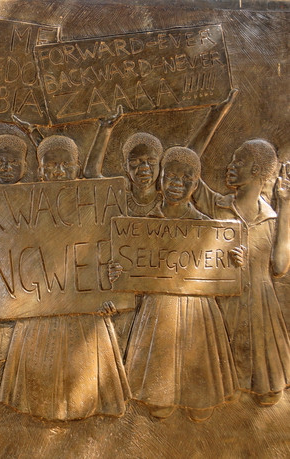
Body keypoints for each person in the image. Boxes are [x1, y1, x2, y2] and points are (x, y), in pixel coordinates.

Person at [0, 115, 131, 421]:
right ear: (39, 169)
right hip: (40, 307)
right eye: (49, 164)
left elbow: (115, 252)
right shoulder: (24, 204)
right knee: (37, 393)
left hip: (87, 308)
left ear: (76, 167)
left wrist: (114, 281)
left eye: (65, 165)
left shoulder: (96, 203)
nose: (57, 171)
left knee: (86, 382)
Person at [111, 147, 240, 422]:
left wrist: (235, 260)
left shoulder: (208, 226)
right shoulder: (144, 225)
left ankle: (200, 394)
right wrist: (119, 269)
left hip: (198, 304)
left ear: (195, 184)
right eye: (171, 178)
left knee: (199, 347)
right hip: (159, 302)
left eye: (186, 180)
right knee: (160, 350)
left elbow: (222, 269)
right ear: (161, 178)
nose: (176, 185)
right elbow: (131, 266)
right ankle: (160, 394)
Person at [193, 139, 290, 406]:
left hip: (262, 310)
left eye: (239, 162)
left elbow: (280, 267)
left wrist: (286, 205)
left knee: (268, 393)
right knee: (218, 389)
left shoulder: (271, 217)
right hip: (224, 307)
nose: (230, 166)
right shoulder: (217, 204)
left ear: (257, 170)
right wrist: (216, 112)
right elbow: (189, 163)